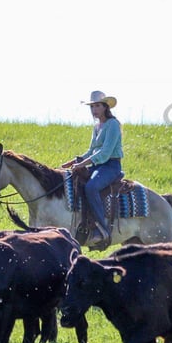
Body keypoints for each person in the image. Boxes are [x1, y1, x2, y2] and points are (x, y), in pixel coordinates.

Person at [61, 90, 124, 247]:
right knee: (75, 182)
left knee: (91, 187)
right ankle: (83, 224)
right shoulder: (97, 126)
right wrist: (72, 162)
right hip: (98, 166)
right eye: (92, 107)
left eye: (97, 106)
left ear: (105, 107)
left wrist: (82, 164)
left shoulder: (113, 125)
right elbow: (91, 151)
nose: (94, 110)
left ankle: (102, 229)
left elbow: (105, 153)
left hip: (111, 166)